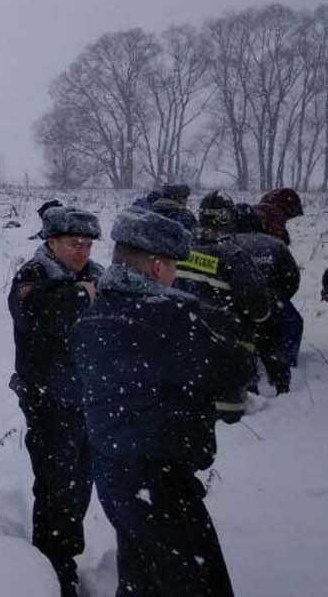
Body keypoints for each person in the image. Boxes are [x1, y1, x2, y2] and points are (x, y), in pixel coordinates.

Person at [72, 207, 253, 597]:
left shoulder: (94, 313)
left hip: (112, 472)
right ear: (156, 267)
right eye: (171, 266)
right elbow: (236, 371)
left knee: (141, 576)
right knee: (197, 585)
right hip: (161, 481)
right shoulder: (172, 318)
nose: (174, 275)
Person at [8, 205, 102, 595]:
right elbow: (36, 313)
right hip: (48, 400)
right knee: (55, 485)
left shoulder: (95, 276)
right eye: (73, 243)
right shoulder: (34, 275)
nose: (81, 251)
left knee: (80, 484)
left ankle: (67, 557)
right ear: (51, 243)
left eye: (87, 244)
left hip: (87, 399)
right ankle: (50, 566)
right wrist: (81, 295)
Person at [174, 192, 271, 410]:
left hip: (182, 351)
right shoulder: (235, 257)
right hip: (229, 353)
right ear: (229, 218)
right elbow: (259, 308)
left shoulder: (179, 250)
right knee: (236, 419)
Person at [232, 192, 304, 392]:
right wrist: (278, 297)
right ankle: (284, 370)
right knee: (287, 327)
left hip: (234, 304)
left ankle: (248, 378)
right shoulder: (276, 244)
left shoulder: (227, 244)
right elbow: (292, 278)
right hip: (270, 302)